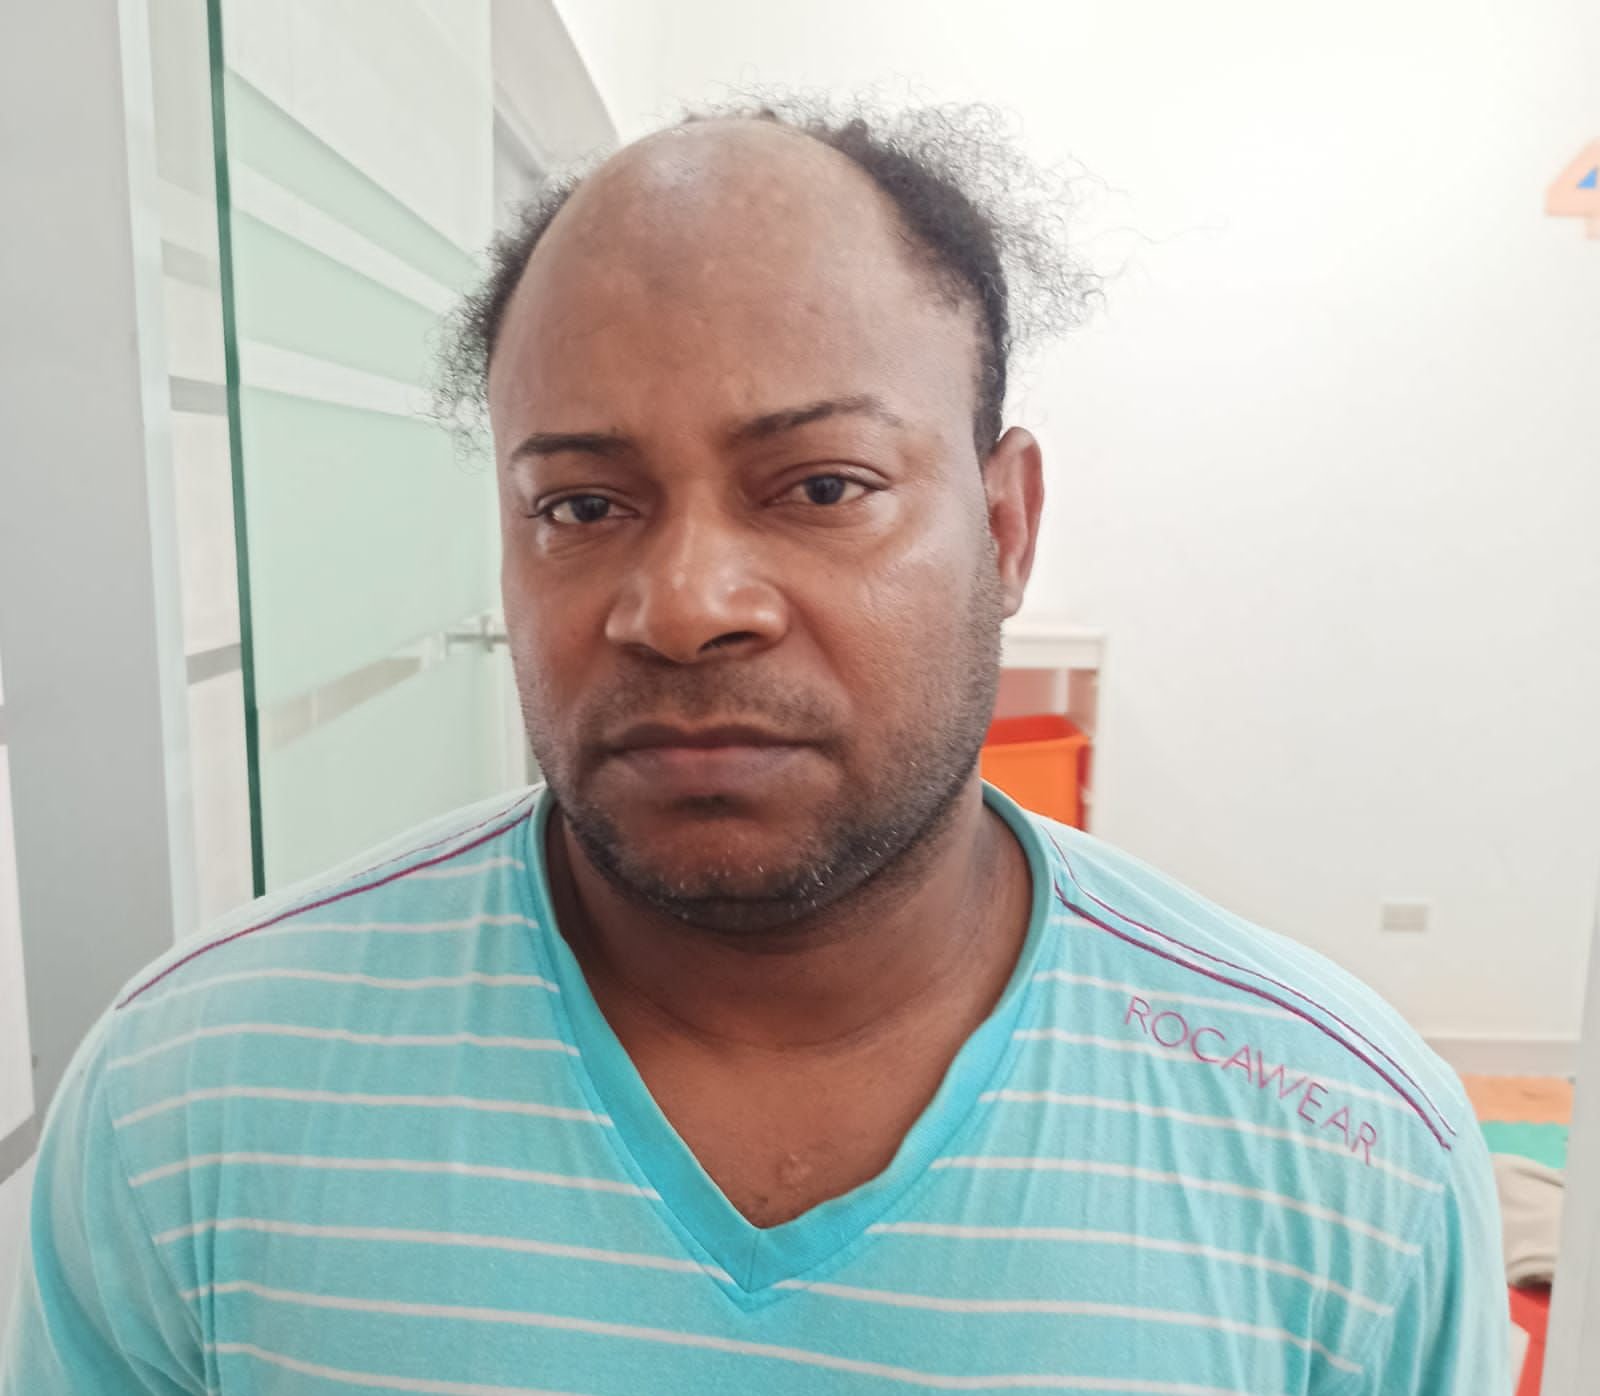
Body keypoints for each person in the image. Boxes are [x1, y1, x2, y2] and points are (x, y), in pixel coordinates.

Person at [2, 102, 1506, 1395]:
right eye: (583, 506)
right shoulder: (189, 1100)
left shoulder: (1347, 1152)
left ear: (1004, 525)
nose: (686, 606)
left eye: (822, 485)